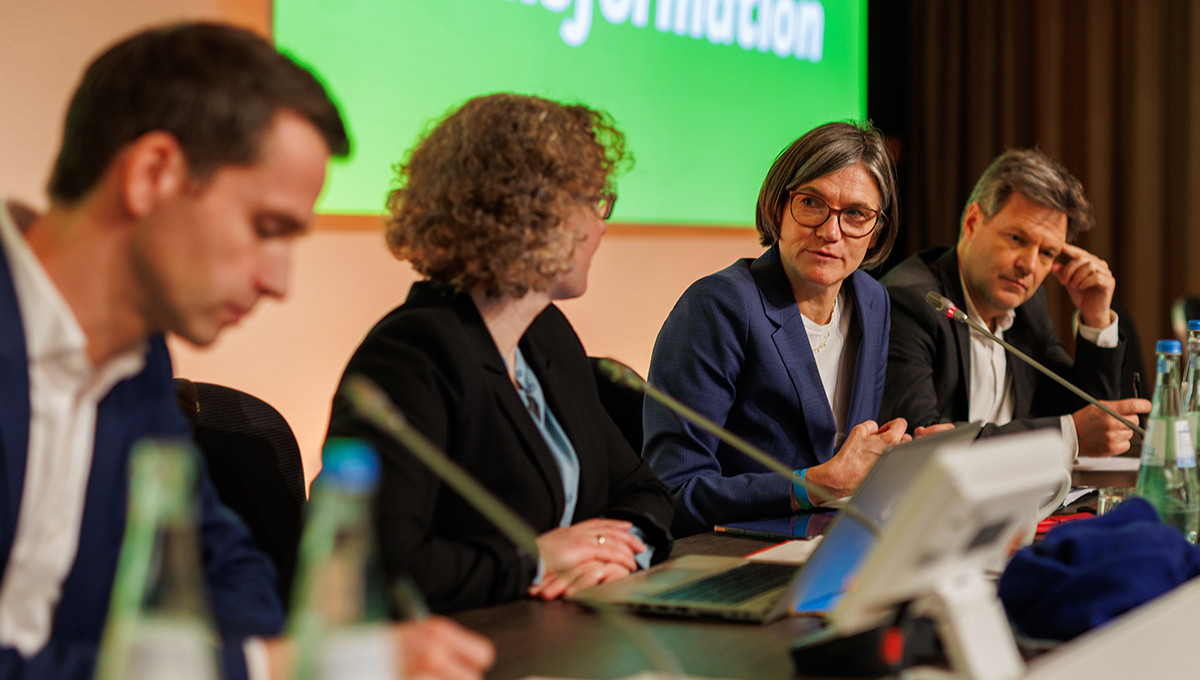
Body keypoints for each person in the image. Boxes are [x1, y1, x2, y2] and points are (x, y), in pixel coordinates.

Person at [0, 22, 492, 680]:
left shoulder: (138, 360)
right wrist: (263, 668)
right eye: (267, 228)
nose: (278, 282)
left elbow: (228, 565)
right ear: (153, 174)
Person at [325, 93, 675, 613]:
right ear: (528, 212)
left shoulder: (546, 334)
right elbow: (372, 570)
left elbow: (643, 491)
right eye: (593, 201)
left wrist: (614, 552)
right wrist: (533, 560)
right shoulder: (411, 356)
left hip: (574, 631)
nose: (602, 224)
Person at [643, 121, 916, 538]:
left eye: (856, 214)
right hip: (734, 557)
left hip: (835, 543)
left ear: (876, 232)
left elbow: (844, 460)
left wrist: (888, 456)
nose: (830, 231)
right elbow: (674, 491)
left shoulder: (872, 301)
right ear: (778, 207)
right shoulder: (719, 306)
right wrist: (813, 485)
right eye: (811, 203)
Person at [879, 148, 1150, 458]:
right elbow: (919, 438)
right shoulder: (914, 301)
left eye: (1047, 253)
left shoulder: (1027, 309)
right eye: (1017, 239)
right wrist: (1067, 435)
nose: (1029, 265)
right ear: (972, 222)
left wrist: (1095, 317)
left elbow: (1087, 419)